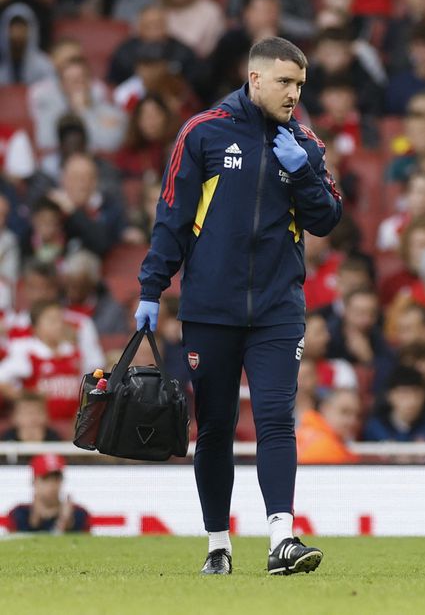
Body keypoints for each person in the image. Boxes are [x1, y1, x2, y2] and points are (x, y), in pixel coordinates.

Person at [136, 37, 341, 576]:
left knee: (276, 418)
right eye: (284, 82)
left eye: (299, 84)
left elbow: (327, 219)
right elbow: (173, 217)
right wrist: (150, 290)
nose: (294, 93)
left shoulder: (305, 143)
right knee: (217, 427)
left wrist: (302, 172)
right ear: (254, 79)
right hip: (210, 308)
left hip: (278, 308)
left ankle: (281, 539)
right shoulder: (201, 133)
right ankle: (217, 546)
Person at [6, 454, 90, 533]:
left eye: (56, 479)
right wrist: (32, 524)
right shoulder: (18, 514)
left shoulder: (79, 514)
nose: (52, 485)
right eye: (46, 479)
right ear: (34, 482)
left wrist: (68, 525)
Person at [296, 387, 362, 464]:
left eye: (357, 415)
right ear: (325, 408)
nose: (352, 420)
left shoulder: (307, 433)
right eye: (344, 411)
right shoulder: (324, 448)